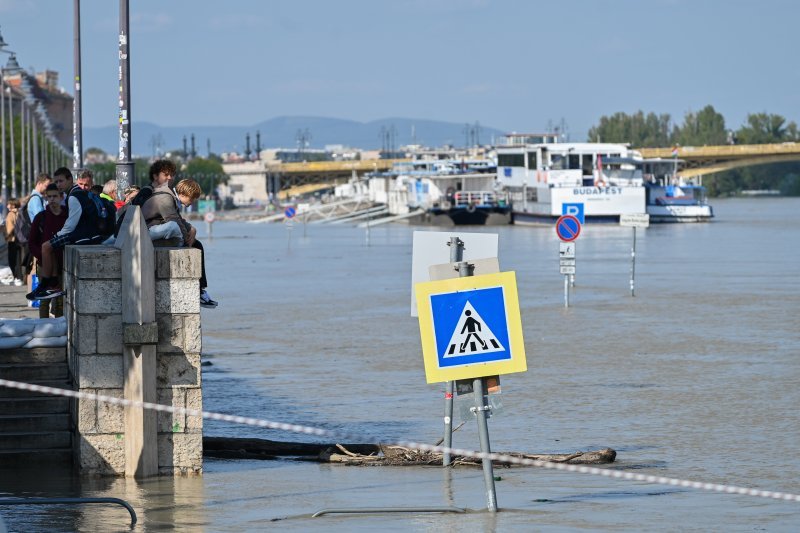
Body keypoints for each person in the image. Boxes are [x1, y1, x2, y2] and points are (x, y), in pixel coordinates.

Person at [26, 167, 106, 301]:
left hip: (84, 234)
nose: (58, 185)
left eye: (61, 181)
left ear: (70, 179)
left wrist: (57, 236)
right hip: (89, 232)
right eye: (56, 182)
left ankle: (47, 285)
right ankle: (49, 285)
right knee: (50, 248)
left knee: (47, 246)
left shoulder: (73, 196)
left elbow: (71, 223)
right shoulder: (75, 194)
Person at [175, 178, 217, 308]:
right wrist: (190, 230)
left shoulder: (174, 201)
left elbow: (178, 219)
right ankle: (199, 291)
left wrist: (191, 229)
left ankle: (200, 289)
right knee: (197, 246)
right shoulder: (172, 201)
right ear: (183, 194)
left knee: (197, 245)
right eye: (191, 199)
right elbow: (173, 220)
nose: (192, 202)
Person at [28, 183, 68, 317]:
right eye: (49, 196)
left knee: (60, 301)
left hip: (64, 265)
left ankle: (60, 329)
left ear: (61, 197)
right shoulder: (41, 217)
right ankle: (43, 329)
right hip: (44, 266)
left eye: (55, 196)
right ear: (45, 198)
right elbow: (32, 242)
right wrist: (44, 257)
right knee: (44, 300)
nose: (52, 200)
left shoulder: (68, 216)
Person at [3, 198, 23, 286]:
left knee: (12, 260)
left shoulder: (10, 214)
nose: (7, 206)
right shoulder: (19, 212)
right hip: (20, 239)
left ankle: (16, 278)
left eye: (8, 204)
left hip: (12, 239)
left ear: (13, 205)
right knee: (18, 259)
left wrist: (7, 236)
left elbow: (10, 227)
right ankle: (19, 277)